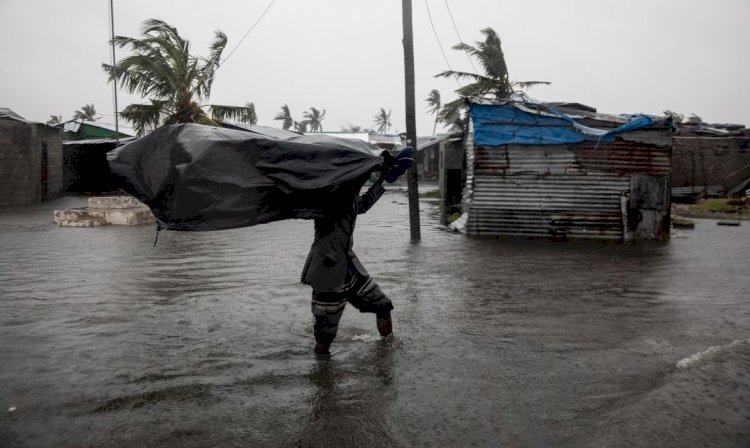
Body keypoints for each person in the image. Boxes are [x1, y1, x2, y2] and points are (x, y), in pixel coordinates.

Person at [301, 160, 395, 355]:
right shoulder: (327, 200)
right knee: (325, 335)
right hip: (327, 269)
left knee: (383, 305)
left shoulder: (349, 199)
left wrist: (384, 178)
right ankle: (323, 379)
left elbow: (364, 204)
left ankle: (388, 353)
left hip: (349, 265)